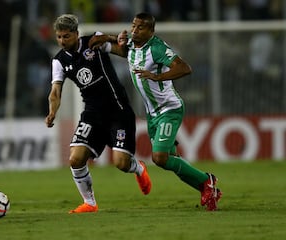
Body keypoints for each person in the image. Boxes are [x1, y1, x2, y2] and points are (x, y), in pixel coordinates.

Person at [89, 12, 222, 211]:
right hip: (152, 113)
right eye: (133, 26)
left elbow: (185, 68)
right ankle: (208, 188)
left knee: (160, 158)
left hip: (169, 108)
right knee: (170, 158)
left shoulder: (158, 48)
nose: (135, 30)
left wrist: (157, 77)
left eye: (140, 27)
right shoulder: (133, 45)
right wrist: (106, 40)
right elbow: (126, 52)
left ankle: (207, 181)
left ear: (151, 31)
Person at [45, 14, 151, 214]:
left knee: (121, 163)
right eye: (58, 37)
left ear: (76, 34)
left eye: (66, 36)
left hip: (118, 109)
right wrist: (52, 112)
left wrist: (112, 39)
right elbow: (55, 91)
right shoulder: (58, 61)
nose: (61, 41)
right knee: (75, 159)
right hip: (93, 114)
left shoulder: (94, 41)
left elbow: (123, 51)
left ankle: (138, 168)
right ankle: (90, 203)